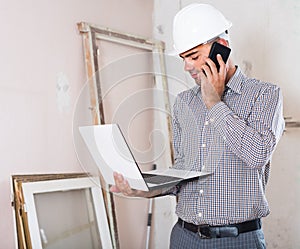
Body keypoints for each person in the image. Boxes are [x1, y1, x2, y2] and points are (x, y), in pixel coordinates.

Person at [110, 3, 285, 249]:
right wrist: (142, 188)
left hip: (239, 241)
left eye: (193, 56)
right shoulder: (184, 102)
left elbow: (257, 154)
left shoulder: (265, 95)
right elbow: (183, 170)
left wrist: (214, 103)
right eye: (183, 58)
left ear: (221, 49)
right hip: (184, 238)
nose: (186, 67)